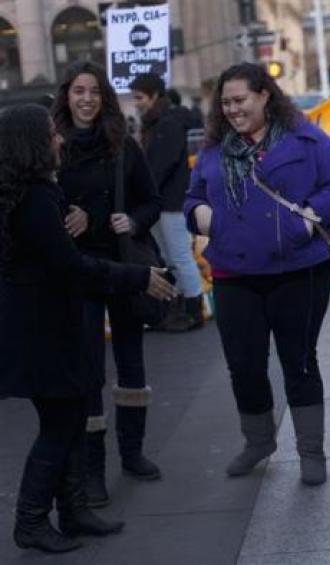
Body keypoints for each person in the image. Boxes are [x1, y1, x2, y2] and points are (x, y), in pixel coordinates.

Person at [0, 103, 175, 553]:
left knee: (72, 418)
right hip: (44, 331)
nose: (60, 140)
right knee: (59, 425)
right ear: (33, 144)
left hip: (53, 325)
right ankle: (32, 521)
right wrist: (138, 277)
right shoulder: (35, 199)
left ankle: (73, 510)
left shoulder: (37, 191)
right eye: (50, 134)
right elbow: (70, 266)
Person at [184, 63, 330, 483]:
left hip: (298, 268)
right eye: (226, 103)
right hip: (234, 271)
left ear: (265, 95)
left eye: (241, 101)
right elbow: (194, 194)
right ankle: (258, 441)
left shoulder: (305, 137)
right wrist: (203, 218)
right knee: (244, 364)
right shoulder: (216, 148)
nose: (233, 110)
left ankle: (312, 452)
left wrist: (308, 219)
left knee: (299, 362)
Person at [51, 61, 164, 507]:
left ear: (104, 98)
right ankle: (92, 470)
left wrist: (133, 220)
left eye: (95, 92)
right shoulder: (52, 145)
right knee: (88, 371)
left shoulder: (122, 145)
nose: (87, 99)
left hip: (123, 265)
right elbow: (36, 201)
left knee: (132, 364)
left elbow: (152, 200)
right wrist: (67, 217)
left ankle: (132, 453)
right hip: (78, 270)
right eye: (79, 91)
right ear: (66, 95)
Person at [130, 73, 205, 331]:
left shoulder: (167, 124)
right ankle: (178, 306)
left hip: (171, 203)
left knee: (179, 256)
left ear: (154, 95)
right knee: (167, 257)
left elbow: (159, 167)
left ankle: (194, 310)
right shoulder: (157, 123)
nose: (136, 102)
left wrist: (143, 193)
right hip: (161, 203)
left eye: (139, 97)